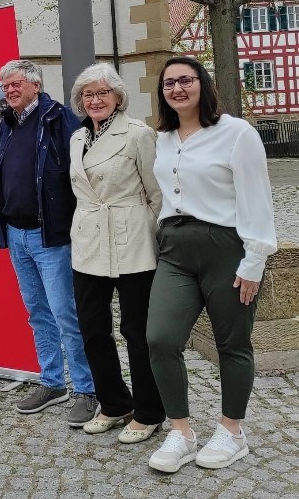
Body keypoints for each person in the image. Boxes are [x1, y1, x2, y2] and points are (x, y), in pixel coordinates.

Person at [146, 56, 277, 473]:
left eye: (186, 80)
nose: (178, 89)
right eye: (169, 83)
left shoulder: (236, 133)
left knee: (231, 343)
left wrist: (254, 261)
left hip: (225, 247)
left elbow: (256, 198)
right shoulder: (162, 138)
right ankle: (181, 431)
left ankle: (232, 430)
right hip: (175, 250)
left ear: (202, 83)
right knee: (161, 338)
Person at [0, 59, 96, 425]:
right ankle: (52, 381)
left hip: (50, 235)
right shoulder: (8, 124)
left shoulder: (57, 117)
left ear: (35, 84)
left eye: (15, 84)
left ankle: (86, 388)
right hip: (16, 234)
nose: (10, 91)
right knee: (37, 313)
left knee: (66, 314)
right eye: (5, 87)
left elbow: (80, 172)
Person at [68, 63, 165, 443]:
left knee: (136, 331)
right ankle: (113, 403)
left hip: (132, 241)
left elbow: (158, 195)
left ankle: (149, 410)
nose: (95, 100)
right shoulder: (77, 138)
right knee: (92, 330)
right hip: (89, 241)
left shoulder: (138, 134)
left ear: (118, 97)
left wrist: (147, 232)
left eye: (102, 93)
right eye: (87, 94)